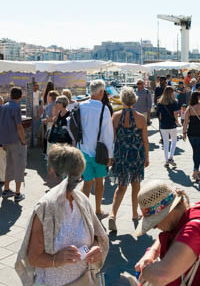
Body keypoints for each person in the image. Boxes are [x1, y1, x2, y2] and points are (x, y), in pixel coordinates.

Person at [15, 145, 110, 285]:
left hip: (83, 281)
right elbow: (33, 258)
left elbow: (96, 236)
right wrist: (56, 260)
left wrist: (96, 248)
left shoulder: (82, 201)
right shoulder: (46, 208)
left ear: (53, 171)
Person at [133, 181, 200, 286]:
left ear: (168, 212)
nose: (155, 227)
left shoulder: (193, 230)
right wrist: (152, 251)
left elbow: (161, 276)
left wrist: (145, 271)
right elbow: (174, 235)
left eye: (155, 222)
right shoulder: (186, 213)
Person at [109, 90, 149, 235]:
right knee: (136, 185)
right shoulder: (140, 118)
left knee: (121, 187)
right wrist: (147, 157)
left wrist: (111, 157)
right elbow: (145, 140)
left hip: (121, 154)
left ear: (122, 100)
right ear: (134, 100)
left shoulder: (115, 116)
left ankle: (113, 214)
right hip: (136, 154)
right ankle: (134, 213)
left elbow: (112, 139)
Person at [78, 80, 114, 218]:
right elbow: (108, 134)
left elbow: (72, 125)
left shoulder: (81, 106)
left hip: (83, 150)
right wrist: (110, 156)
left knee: (87, 182)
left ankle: (83, 211)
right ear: (100, 92)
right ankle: (98, 210)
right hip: (99, 151)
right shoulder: (104, 109)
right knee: (100, 182)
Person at [0, 87, 27, 201]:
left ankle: (6, 189)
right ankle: (18, 193)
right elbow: (19, 126)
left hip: (6, 141)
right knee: (19, 166)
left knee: (8, 165)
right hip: (16, 141)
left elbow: (1, 125)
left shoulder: (3, 107)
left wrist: (3, 141)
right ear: (20, 97)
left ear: (10, 95)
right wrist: (23, 140)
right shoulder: (16, 107)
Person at [155, 87, 182, 169]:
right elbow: (175, 114)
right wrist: (177, 121)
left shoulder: (159, 103)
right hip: (172, 124)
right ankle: (171, 157)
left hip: (163, 125)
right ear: (171, 93)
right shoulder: (174, 102)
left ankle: (166, 160)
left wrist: (161, 122)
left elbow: (158, 115)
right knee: (174, 141)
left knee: (165, 143)